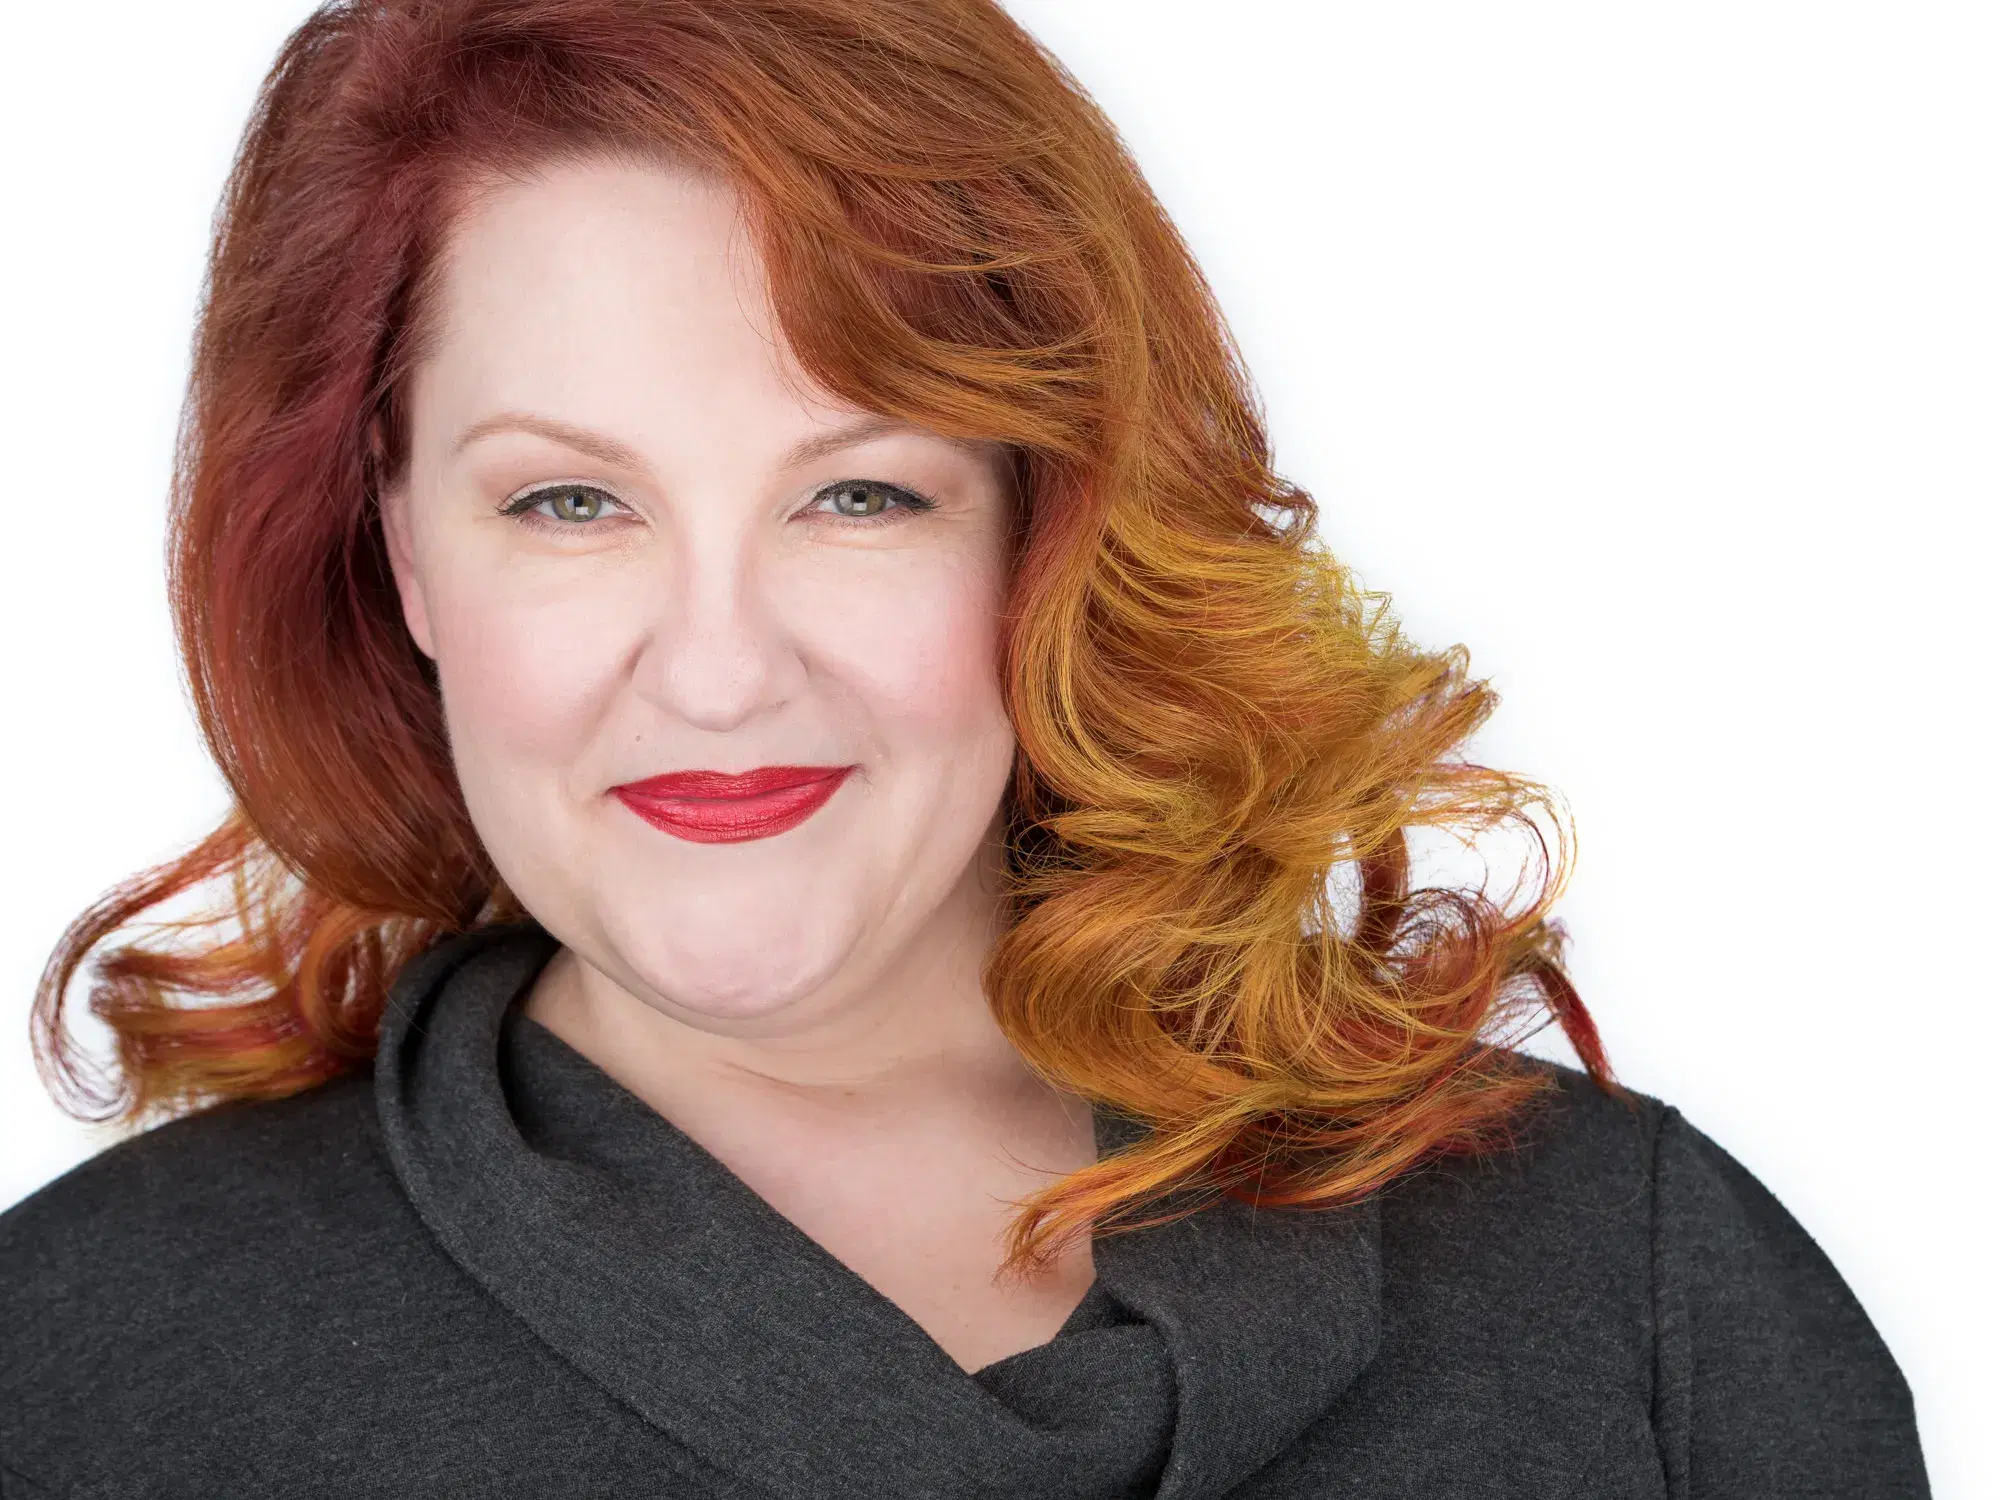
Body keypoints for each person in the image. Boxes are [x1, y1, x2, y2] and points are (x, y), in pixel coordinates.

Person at [0, 1, 1926, 1495]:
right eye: (571, 507)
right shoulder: (72, 1375)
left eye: (859, 500)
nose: (724, 668)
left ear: (1043, 533)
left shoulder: (1632, 1294)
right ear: (402, 548)